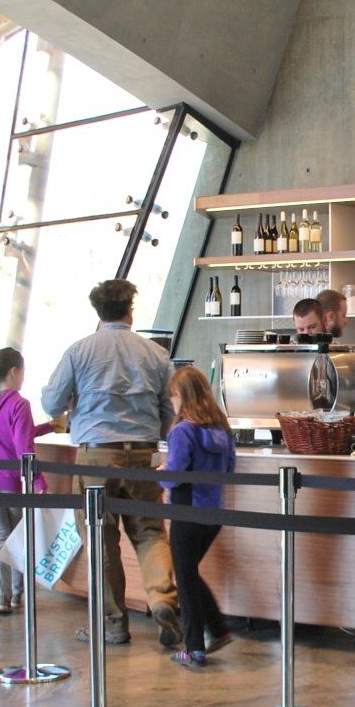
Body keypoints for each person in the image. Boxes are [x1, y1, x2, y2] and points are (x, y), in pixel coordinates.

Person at [42, 279, 182, 647]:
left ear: (98, 311)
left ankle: (113, 624)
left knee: (101, 541)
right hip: (142, 454)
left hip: (95, 456)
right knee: (150, 531)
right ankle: (162, 599)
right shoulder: (155, 354)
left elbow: (51, 404)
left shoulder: (79, 351)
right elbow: (171, 411)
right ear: (130, 310)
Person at [159, 366, 237, 667]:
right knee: (189, 572)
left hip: (185, 510)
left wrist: (161, 475)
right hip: (213, 512)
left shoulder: (182, 431)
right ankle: (218, 628)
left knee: (184, 576)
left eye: (173, 397)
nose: (172, 403)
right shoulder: (221, 429)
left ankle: (194, 648)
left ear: (183, 396)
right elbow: (230, 469)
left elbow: (175, 476)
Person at [0, 347, 54, 617]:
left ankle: (1, 597)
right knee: (18, 537)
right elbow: (23, 446)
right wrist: (39, 481)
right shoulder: (19, 403)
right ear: (14, 371)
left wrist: (50, 427)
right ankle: (18, 594)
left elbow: (16, 433)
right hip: (10, 480)